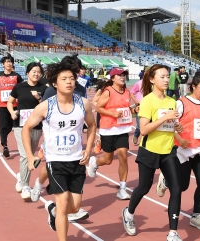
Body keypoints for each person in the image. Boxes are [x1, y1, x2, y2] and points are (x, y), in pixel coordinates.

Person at [20, 56, 96, 241]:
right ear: (54, 82)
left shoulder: (83, 104)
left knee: (74, 208)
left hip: (77, 160)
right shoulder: (46, 106)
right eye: (64, 79)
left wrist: (88, 149)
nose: (69, 82)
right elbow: (26, 128)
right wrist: (30, 156)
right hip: (55, 161)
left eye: (71, 78)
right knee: (63, 205)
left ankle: (51, 209)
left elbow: (92, 126)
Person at [121, 64, 185, 241]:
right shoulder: (148, 101)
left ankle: (173, 232)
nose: (166, 80)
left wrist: (176, 126)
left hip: (168, 151)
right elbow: (144, 130)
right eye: (162, 77)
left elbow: (170, 126)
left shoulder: (172, 102)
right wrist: (164, 118)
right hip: (149, 150)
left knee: (177, 189)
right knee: (144, 187)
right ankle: (129, 213)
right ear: (152, 79)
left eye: (167, 76)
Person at [156, 72, 200, 231]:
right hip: (183, 152)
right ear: (193, 86)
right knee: (183, 186)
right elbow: (169, 124)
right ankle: (166, 180)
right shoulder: (181, 103)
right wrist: (179, 140)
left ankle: (196, 215)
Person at [86, 68, 133, 200]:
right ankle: (95, 163)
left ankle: (122, 188)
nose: (122, 78)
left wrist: (133, 110)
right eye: (119, 76)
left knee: (123, 155)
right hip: (109, 129)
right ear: (112, 78)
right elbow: (98, 107)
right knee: (108, 160)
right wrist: (112, 113)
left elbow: (126, 109)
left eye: (124, 75)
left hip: (123, 129)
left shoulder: (127, 92)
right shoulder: (108, 91)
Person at [9, 62, 47, 200]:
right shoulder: (19, 87)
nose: (36, 74)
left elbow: (46, 105)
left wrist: (39, 98)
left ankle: (21, 176)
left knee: (29, 155)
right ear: (27, 73)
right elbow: (9, 101)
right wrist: (12, 112)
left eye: (38, 72)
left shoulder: (44, 88)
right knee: (27, 155)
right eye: (33, 71)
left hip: (36, 126)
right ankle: (25, 185)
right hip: (20, 125)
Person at [0, 55, 24, 157]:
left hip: (15, 106)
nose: (9, 63)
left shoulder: (17, 76)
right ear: (3, 64)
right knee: (3, 126)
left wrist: (20, 97)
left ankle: (22, 146)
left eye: (10, 62)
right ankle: (4, 145)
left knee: (16, 126)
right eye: (7, 62)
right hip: (2, 106)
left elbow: (22, 87)